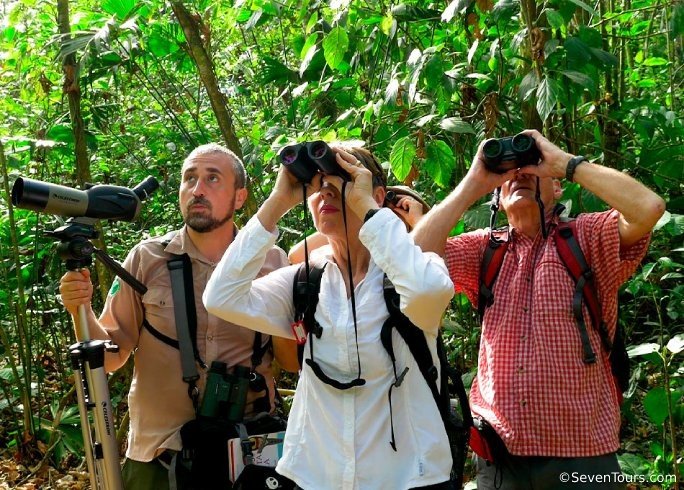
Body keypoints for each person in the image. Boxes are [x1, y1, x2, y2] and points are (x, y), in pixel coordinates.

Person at [412, 129, 666, 489]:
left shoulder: (587, 236)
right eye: (512, 176)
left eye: (532, 172)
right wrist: (475, 182)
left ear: (557, 188)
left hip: (582, 453)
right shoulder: (484, 250)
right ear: (497, 200)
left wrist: (563, 163)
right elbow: (410, 259)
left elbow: (649, 208)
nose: (520, 176)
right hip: (499, 455)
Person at [203, 145, 456, 489]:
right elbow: (220, 298)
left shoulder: (411, 273)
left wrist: (368, 209)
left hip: (407, 477)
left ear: (375, 195)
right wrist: (279, 200)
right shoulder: (307, 282)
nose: (326, 192)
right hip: (316, 477)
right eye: (318, 184)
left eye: (343, 182)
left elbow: (428, 291)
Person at [58, 144, 290, 489]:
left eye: (213, 179)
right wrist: (80, 308)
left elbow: (290, 355)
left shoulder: (271, 262)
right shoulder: (146, 259)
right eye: (190, 179)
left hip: (245, 451)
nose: (198, 190)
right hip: (159, 453)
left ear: (239, 197)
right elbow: (110, 356)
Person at [287, 184, 430, 264]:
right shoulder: (339, 257)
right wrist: (353, 222)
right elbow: (296, 256)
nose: (386, 216)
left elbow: (432, 255)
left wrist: (419, 223)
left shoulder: (413, 261)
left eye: (404, 210)